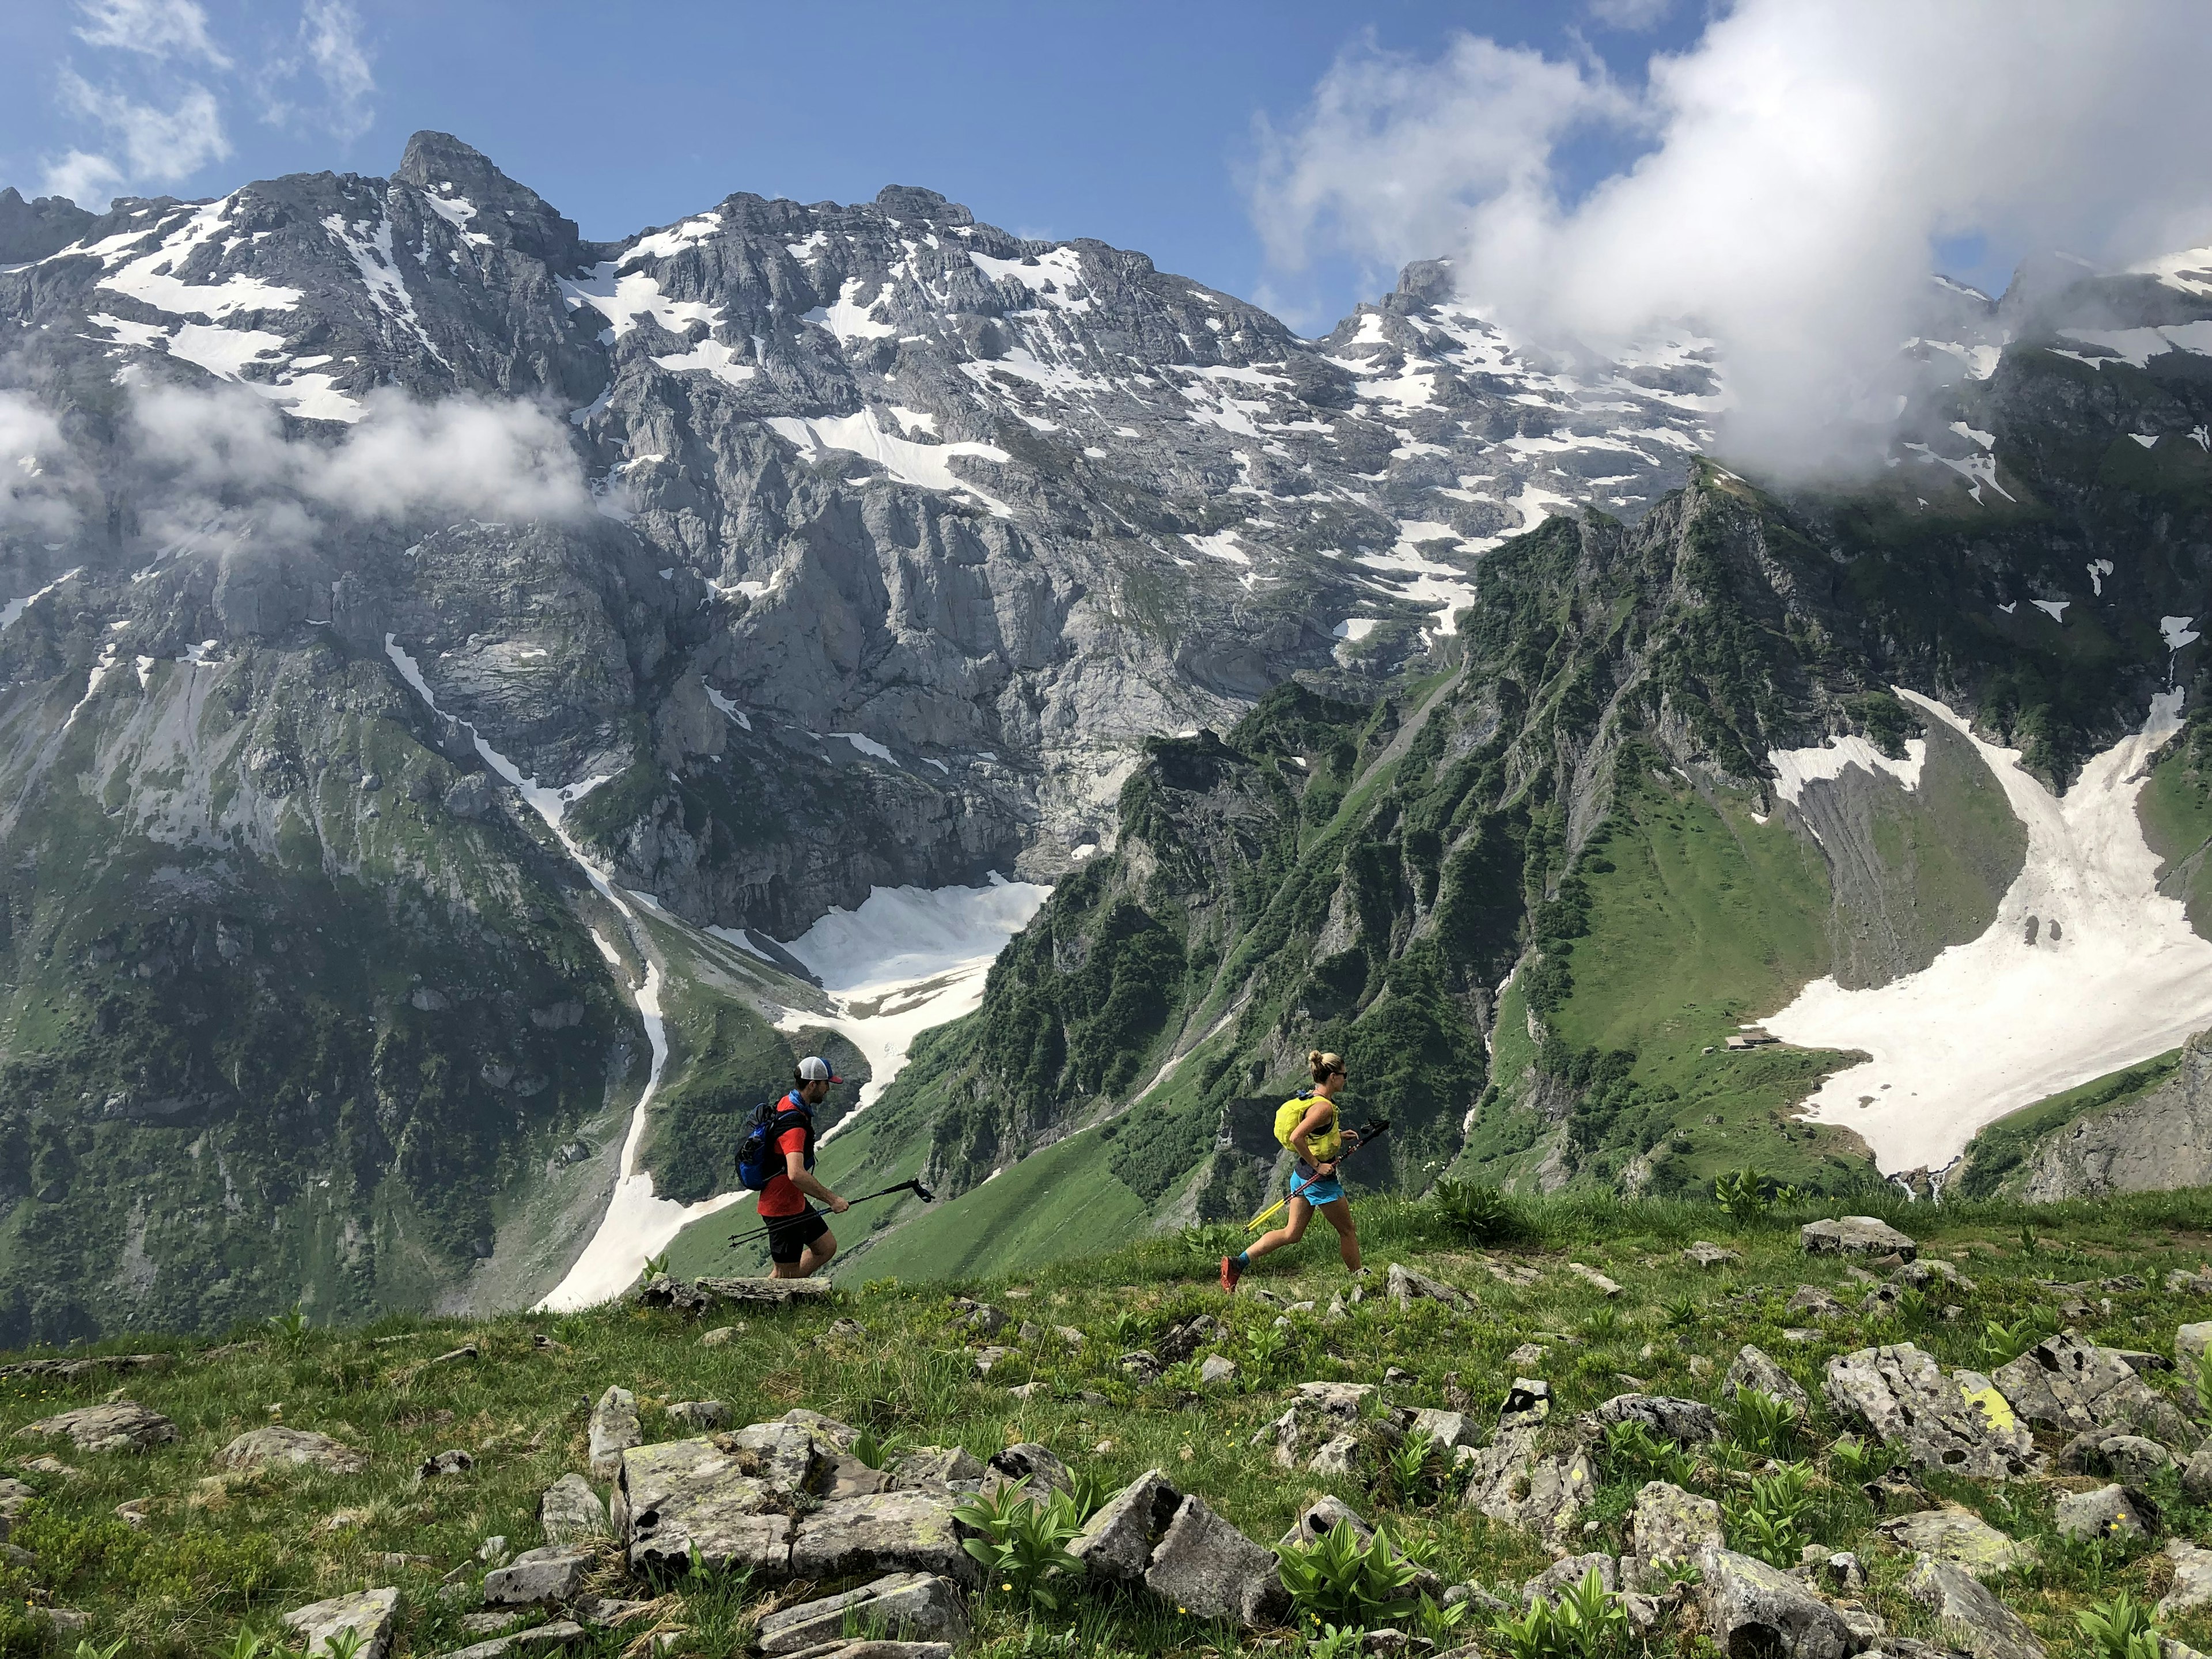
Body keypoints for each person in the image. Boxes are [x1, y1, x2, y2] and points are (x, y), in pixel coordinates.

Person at [1222, 1050, 1361, 1292]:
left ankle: (1238, 1263)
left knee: (1292, 1233)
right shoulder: (1324, 1108)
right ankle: (1361, 1280)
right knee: (1348, 1231)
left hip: (1302, 1175)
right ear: (1332, 1078)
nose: (1345, 1079)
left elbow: (1313, 1133)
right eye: (1344, 1075)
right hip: (1319, 1179)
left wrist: (1337, 1136)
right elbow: (1298, 1137)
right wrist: (1320, 1166)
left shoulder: (1312, 1098)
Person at [759, 1055, 851, 1279]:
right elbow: (796, 1173)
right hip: (782, 1208)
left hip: (795, 1202)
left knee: (826, 1247)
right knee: (784, 1275)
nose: (828, 1088)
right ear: (812, 1085)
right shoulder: (794, 1125)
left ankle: (791, 1292)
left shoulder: (788, 1104)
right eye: (825, 1083)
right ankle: (766, 1303)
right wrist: (833, 1200)